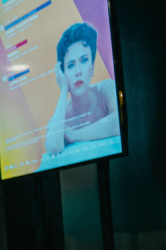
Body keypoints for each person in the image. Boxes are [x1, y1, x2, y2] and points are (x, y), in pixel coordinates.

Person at [44, 22, 120, 156]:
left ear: (93, 67)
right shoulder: (62, 116)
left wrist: (74, 135)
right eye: (71, 65)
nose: (78, 71)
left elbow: (119, 121)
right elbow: (53, 147)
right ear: (64, 72)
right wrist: (63, 90)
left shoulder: (106, 90)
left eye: (84, 60)